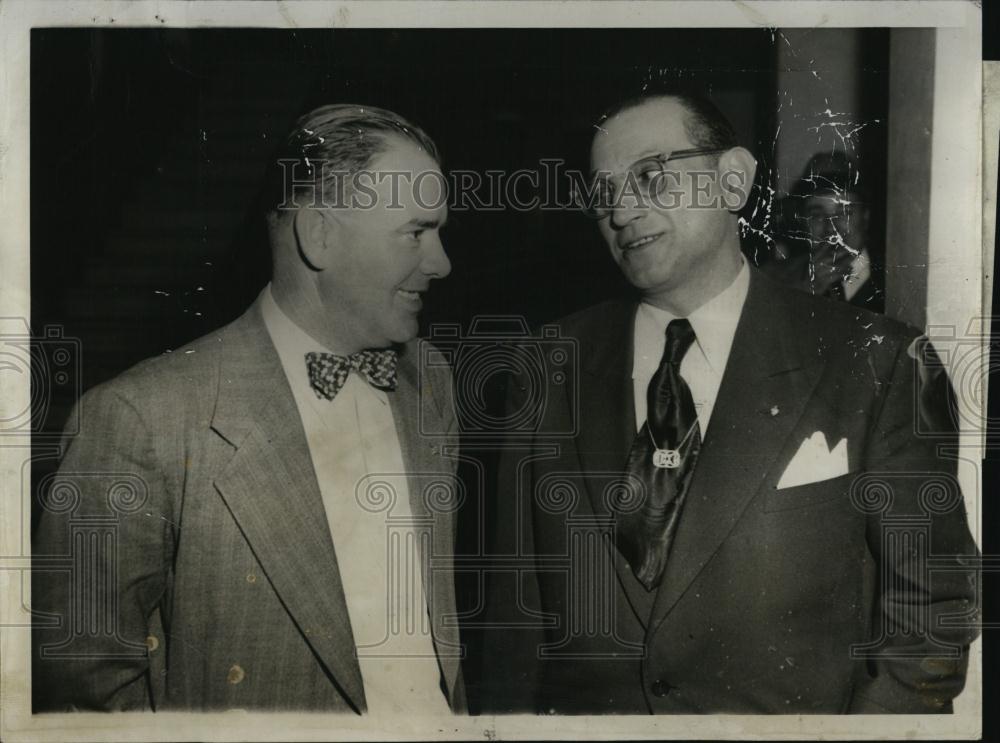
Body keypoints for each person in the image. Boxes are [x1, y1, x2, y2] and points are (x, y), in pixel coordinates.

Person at [485, 90, 979, 714]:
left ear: (734, 180)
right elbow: (510, 628)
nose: (622, 209)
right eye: (604, 192)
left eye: (650, 176)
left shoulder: (879, 361)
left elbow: (932, 613)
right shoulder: (547, 363)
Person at [33, 104, 465, 713]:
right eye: (416, 232)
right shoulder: (141, 420)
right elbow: (84, 692)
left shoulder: (430, 380)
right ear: (320, 235)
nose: (441, 262)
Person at [765, 151, 885, 312]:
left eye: (844, 212)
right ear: (803, 221)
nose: (831, 228)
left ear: (865, 217)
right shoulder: (773, 279)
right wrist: (807, 292)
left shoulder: (898, 278)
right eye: (816, 214)